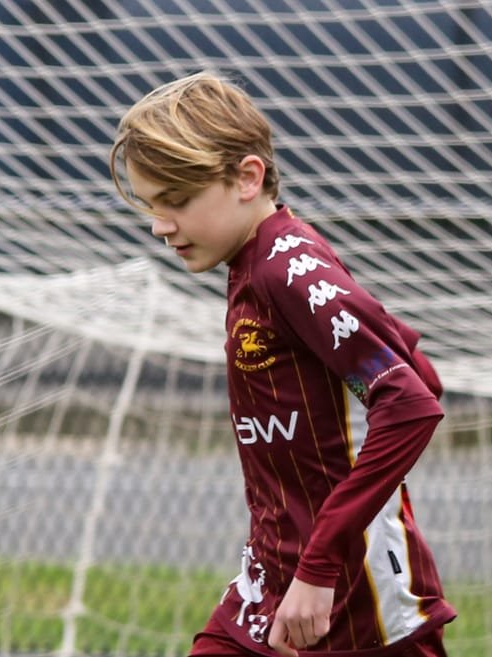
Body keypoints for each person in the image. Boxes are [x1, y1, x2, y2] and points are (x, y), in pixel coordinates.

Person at [110, 71, 455, 657]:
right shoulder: (261, 261)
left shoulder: (284, 269)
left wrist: (321, 564)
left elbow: (411, 402)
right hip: (271, 584)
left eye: (177, 201)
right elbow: (415, 366)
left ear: (248, 177)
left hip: (353, 604)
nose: (159, 225)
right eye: (151, 205)